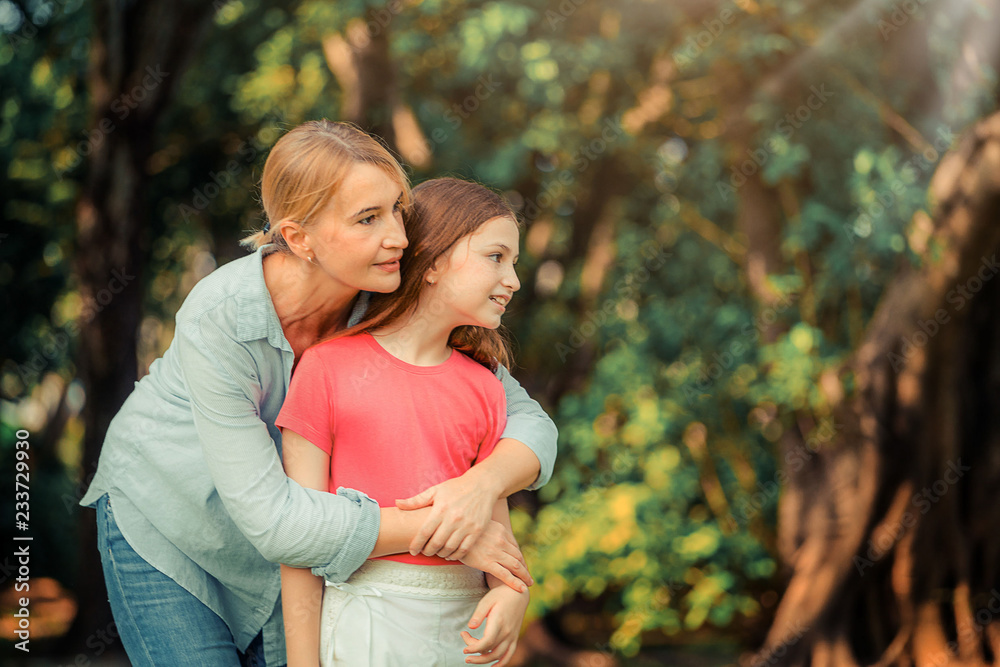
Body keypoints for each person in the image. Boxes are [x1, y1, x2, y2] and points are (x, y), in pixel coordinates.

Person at [79, 121, 557, 666]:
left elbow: (526, 421)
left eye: (397, 209)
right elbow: (277, 522)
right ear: (299, 237)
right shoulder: (220, 316)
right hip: (174, 522)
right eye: (367, 219)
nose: (400, 236)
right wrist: (448, 530)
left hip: (301, 549)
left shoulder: (386, 294)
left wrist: (479, 489)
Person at [277, 178, 531, 667]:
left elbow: (495, 529)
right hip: (364, 627)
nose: (513, 279)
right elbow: (301, 544)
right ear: (433, 262)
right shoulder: (326, 369)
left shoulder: (484, 386)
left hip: (461, 629)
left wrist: (512, 591)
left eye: (514, 262)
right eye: (496, 257)